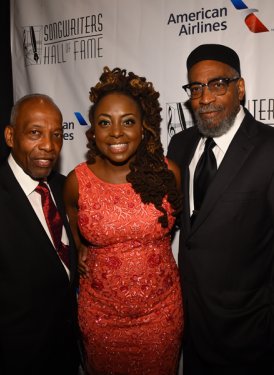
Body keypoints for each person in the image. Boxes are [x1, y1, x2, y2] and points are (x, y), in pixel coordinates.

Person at [64, 66, 184, 375]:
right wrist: (81, 250)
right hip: (101, 316)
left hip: (161, 315)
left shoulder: (167, 173)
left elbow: (174, 225)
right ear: (93, 131)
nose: (116, 132)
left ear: (144, 127)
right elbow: (71, 220)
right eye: (105, 123)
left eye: (128, 122)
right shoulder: (77, 181)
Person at [167, 43, 274, 375]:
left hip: (251, 334)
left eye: (217, 84)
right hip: (193, 327)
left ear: (239, 88)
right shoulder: (180, 145)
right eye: (196, 88)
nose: (205, 98)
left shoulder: (269, 149)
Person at [0, 94, 80, 375]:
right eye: (35, 133)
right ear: (10, 136)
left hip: (67, 355)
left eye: (56, 134)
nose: (48, 145)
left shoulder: (64, 187)